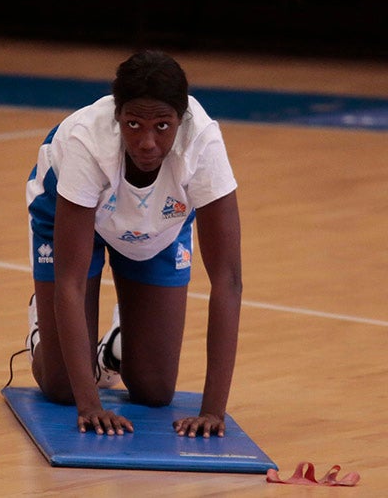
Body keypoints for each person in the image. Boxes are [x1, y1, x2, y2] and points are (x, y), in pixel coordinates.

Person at [24, 50, 243, 438]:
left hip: (159, 223)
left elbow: (228, 280)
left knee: (155, 391)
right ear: (117, 116)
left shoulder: (203, 142)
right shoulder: (86, 141)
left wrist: (213, 411)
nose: (146, 142)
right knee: (62, 387)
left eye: (162, 126)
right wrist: (90, 406)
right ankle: (43, 323)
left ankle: (114, 346)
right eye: (133, 124)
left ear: (181, 120)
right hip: (69, 211)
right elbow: (70, 282)